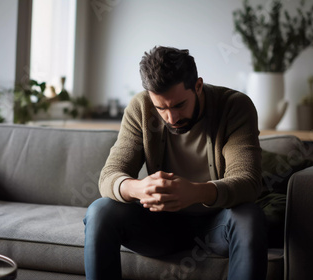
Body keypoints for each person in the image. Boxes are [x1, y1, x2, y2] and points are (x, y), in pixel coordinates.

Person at [83, 46, 267, 280]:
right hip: (160, 228)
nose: (171, 118)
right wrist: (137, 188)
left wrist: (196, 192)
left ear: (198, 86)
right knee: (100, 210)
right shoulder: (141, 108)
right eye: (161, 107)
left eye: (179, 105)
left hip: (216, 226)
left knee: (249, 216)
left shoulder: (234, 106)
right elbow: (109, 176)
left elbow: (248, 182)